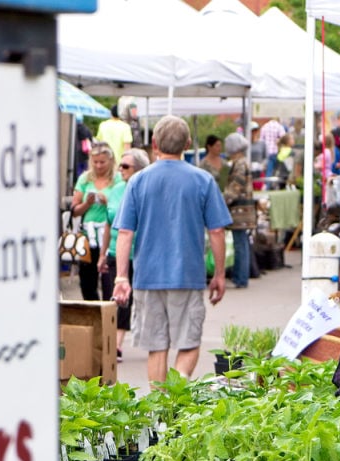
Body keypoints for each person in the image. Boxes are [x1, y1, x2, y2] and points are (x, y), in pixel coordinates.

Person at [112, 115, 232, 384]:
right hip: (187, 276)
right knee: (188, 342)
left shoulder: (137, 182)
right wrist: (220, 274)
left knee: (157, 346)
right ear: (188, 143)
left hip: (147, 277)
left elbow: (125, 232)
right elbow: (216, 231)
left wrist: (121, 276)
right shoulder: (203, 181)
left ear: (154, 144)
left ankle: (160, 409)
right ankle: (176, 396)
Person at [99, 147, 150, 362]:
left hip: (138, 251)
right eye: (120, 165)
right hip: (114, 249)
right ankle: (109, 342)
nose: (121, 169)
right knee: (112, 297)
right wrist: (102, 254)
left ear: (138, 168)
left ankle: (117, 344)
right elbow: (109, 223)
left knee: (125, 300)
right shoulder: (116, 189)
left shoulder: (146, 188)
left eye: (126, 166)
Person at [71, 142, 122, 300]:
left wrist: (107, 201)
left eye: (102, 162)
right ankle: (93, 313)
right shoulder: (85, 179)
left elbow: (122, 208)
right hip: (88, 234)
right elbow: (74, 210)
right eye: (95, 162)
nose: (99, 166)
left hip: (109, 235)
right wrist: (87, 203)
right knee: (87, 282)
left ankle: (109, 315)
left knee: (109, 281)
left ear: (110, 161)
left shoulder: (118, 179)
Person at [222, 132, 253, 289]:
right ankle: (241, 276)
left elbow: (236, 186)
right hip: (243, 210)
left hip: (240, 210)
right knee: (242, 243)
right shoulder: (242, 162)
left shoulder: (240, 164)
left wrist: (223, 199)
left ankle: (241, 278)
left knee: (240, 244)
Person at [249, 121, 268, 190]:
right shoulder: (246, 144)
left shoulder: (262, 143)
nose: (253, 133)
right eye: (252, 131)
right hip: (248, 171)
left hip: (259, 171)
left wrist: (262, 165)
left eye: (255, 130)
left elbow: (266, 157)